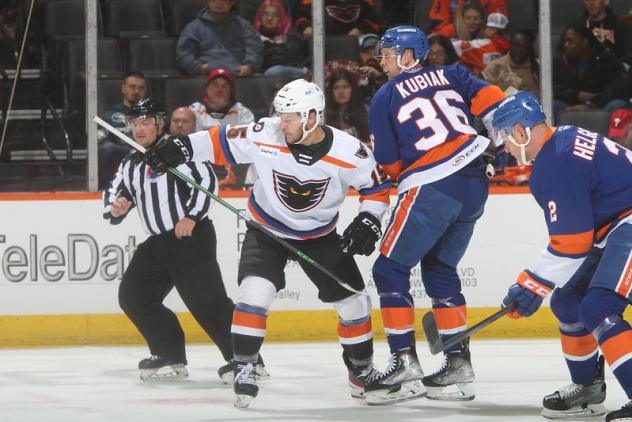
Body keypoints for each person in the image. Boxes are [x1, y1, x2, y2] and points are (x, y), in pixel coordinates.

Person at [143, 79, 392, 408]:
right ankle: (245, 366)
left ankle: (361, 371)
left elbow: (376, 190)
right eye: (281, 115)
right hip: (267, 231)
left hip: (319, 236)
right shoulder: (265, 132)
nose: (281, 122)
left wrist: (368, 220)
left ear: (313, 117)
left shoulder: (349, 151)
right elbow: (218, 141)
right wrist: (181, 147)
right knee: (253, 294)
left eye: (289, 117)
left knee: (355, 304)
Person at [364, 25, 505, 405]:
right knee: (440, 270)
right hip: (476, 182)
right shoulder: (453, 73)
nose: (382, 59)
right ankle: (458, 362)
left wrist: (405, 173)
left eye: (389, 52)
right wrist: (500, 145)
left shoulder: (385, 95)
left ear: (409, 55)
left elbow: (390, 164)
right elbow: (495, 102)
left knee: (389, 270)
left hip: (432, 183)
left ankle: (403, 361)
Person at [103, 98, 267, 384]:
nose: (140, 129)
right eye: (135, 124)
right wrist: (118, 206)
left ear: (159, 124)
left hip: (191, 236)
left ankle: (246, 361)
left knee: (207, 301)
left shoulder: (175, 151)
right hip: (158, 243)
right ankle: (168, 353)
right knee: (134, 295)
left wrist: (191, 216)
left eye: (146, 123)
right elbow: (119, 191)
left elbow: (206, 181)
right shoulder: (131, 162)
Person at [491, 91, 632, 422]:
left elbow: (571, 243)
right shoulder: (563, 140)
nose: (503, 147)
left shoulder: (557, 162)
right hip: (614, 227)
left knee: (598, 306)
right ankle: (587, 390)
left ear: (521, 132)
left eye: (504, 136)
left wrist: (530, 285)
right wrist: (538, 285)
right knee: (568, 303)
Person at [190, 68, 256, 186]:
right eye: (215, 85)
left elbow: (246, 145)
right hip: (201, 163)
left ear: (231, 90)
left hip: (233, 165)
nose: (219, 90)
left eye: (224, 86)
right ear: (207, 88)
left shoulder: (243, 113)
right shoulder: (193, 110)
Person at [553, 23, 629, 116]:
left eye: (570, 41)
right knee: (553, 106)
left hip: (601, 105)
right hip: (570, 106)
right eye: (565, 41)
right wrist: (576, 95)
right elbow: (553, 89)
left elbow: (619, 89)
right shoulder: (561, 63)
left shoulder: (607, 61)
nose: (565, 45)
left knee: (618, 105)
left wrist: (592, 103)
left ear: (584, 42)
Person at [175, 0, 263, 76]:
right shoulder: (193, 28)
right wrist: (199, 68)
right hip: (207, 77)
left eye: (224, 0)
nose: (219, 3)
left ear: (232, 2)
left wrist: (249, 66)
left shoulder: (244, 26)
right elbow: (183, 55)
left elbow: (255, 49)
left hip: (239, 76)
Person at [98, 71, 148, 189]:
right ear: (123, 88)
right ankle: (109, 188)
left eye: (141, 88)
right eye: (132, 87)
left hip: (145, 160)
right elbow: (101, 144)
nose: (136, 91)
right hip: (120, 161)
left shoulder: (153, 117)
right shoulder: (109, 116)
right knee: (107, 148)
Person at [253, 0, 308, 79]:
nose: (269, 18)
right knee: (272, 71)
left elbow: (295, 57)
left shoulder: (291, 35)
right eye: (265, 14)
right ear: (260, 17)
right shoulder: (253, 37)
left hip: (292, 73)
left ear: (281, 18)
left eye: (274, 15)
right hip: (266, 77)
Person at [482, 30, 540, 97]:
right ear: (509, 45)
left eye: (523, 46)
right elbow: (484, 93)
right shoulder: (495, 66)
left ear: (529, 48)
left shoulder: (537, 66)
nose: (519, 50)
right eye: (515, 45)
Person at [325, 69, 370, 144]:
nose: (341, 92)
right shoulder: (324, 115)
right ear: (331, 91)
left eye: (345, 87)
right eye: (336, 88)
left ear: (352, 89)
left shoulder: (366, 111)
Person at [294, 0, 381, 38]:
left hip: (356, 42)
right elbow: (301, 16)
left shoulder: (364, 1)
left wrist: (360, 29)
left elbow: (372, 20)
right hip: (324, 41)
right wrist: (306, 26)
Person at [429, 0, 507, 38]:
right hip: (454, 34)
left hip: (485, 35)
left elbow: (498, 24)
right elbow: (439, 26)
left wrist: (487, 32)